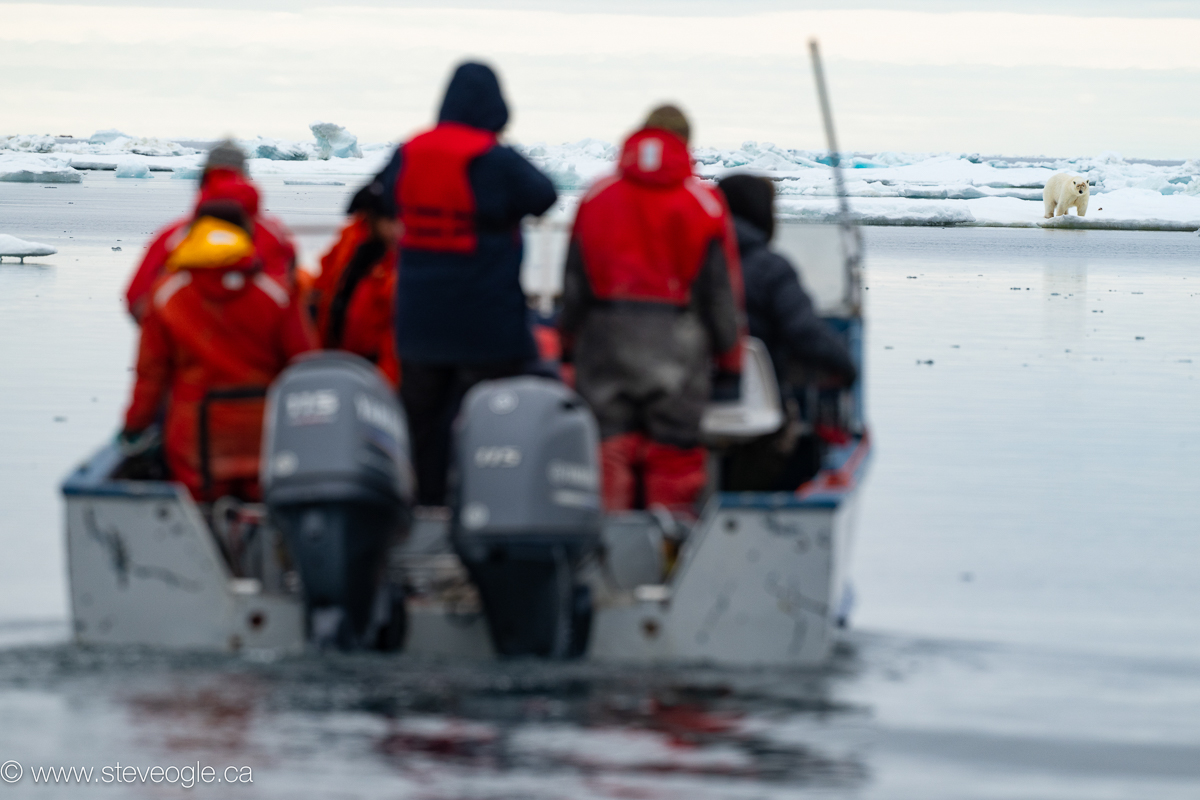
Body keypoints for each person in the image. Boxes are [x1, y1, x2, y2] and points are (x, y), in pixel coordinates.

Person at [370, 61, 558, 505]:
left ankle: (423, 510)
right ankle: (492, 507)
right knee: (495, 422)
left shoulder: (409, 152)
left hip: (419, 321)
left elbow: (374, 197)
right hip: (486, 320)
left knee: (422, 423)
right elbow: (543, 196)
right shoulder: (495, 158)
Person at [560, 105, 744, 515]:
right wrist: (731, 362)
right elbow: (721, 295)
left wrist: (566, 345)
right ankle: (669, 552)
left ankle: (608, 552)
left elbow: (574, 284)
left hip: (605, 343)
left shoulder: (597, 198)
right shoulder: (704, 204)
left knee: (609, 449)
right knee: (674, 455)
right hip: (677, 350)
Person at [120, 172, 317, 502]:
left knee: (200, 517)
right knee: (263, 512)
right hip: (263, 432)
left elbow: (151, 375)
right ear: (247, 233)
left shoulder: (168, 296)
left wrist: (133, 429)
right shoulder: (276, 294)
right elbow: (304, 366)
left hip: (195, 438)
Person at [716, 173, 858, 490]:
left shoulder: (684, 264)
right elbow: (805, 333)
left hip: (684, 412)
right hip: (757, 417)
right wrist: (846, 366)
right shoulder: (770, 270)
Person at [124, 141, 297, 323]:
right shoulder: (274, 234)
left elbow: (136, 299)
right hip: (258, 345)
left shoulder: (177, 235)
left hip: (185, 342)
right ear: (245, 176)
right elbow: (292, 298)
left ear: (204, 177)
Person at [309, 184, 400, 387]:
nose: (395, 228)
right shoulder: (352, 239)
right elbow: (324, 282)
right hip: (334, 356)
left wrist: (385, 384)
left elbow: (395, 330)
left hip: (373, 367)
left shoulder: (400, 260)